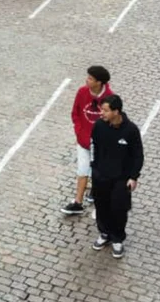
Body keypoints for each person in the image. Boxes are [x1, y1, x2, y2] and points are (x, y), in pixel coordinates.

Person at [91, 94, 144, 259]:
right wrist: (94, 169)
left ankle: (117, 238)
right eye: (102, 109)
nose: (102, 113)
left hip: (121, 178)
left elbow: (138, 155)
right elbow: (93, 147)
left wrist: (133, 177)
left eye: (106, 110)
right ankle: (104, 233)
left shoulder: (131, 130)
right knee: (101, 206)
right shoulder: (99, 126)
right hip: (101, 176)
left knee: (119, 208)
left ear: (116, 111)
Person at [61, 65, 113, 216]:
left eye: (90, 78)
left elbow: (112, 121)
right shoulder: (82, 92)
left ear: (99, 82)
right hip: (83, 141)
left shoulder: (110, 98)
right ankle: (78, 202)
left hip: (101, 144)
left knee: (98, 172)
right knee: (82, 170)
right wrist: (80, 132)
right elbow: (75, 113)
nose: (86, 80)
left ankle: (96, 196)